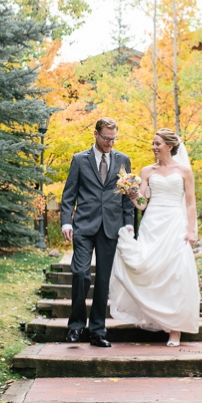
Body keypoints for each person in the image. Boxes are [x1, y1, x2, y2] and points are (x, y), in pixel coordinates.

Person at [109, 128, 200, 347]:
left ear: (169, 145)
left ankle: (175, 330)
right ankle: (155, 315)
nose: (154, 147)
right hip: (152, 224)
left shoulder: (185, 171)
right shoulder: (147, 171)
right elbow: (142, 205)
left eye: (157, 143)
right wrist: (131, 193)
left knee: (176, 273)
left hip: (175, 224)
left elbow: (190, 203)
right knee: (148, 268)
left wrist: (192, 230)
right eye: (153, 143)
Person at [60, 117, 135, 347]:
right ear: (95, 134)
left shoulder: (123, 160)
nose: (110, 143)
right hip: (83, 225)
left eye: (114, 139)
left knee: (103, 280)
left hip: (111, 226)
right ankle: (75, 326)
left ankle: (98, 331)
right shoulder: (79, 160)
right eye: (106, 138)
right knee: (81, 274)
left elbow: (127, 197)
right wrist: (66, 222)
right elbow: (68, 194)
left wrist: (128, 222)